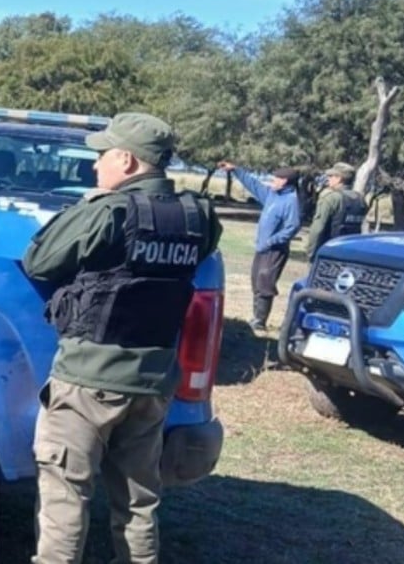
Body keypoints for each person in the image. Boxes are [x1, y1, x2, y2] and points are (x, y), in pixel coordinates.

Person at [23, 113, 222, 564]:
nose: (95, 166)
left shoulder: (108, 214)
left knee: (65, 498)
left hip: (87, 379)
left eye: (102, 156)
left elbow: (39, 259)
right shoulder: (199, 217)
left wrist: (87, 204)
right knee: (138, 502)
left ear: (127, 161)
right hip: (151, 384)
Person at [216, 161, 301, 331]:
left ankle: (260, 321)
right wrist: (235, 170)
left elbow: (293, 227)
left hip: (274, 251)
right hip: (261, 249)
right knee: (256, 281)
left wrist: (271, 241)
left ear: (284, 181)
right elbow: (253, 184)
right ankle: (256, 316)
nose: (272, 181)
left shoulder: (291, 201)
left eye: (276, 179)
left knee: (265, 283)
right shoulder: (272, 195)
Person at [305, 162, 367, 259]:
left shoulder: (331, 197)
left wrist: (311, 253)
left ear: (339, 179)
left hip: (329, 250)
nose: (328, 178)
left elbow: (317, 229)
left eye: (331, 176)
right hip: (350, 252)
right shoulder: (360, 199)